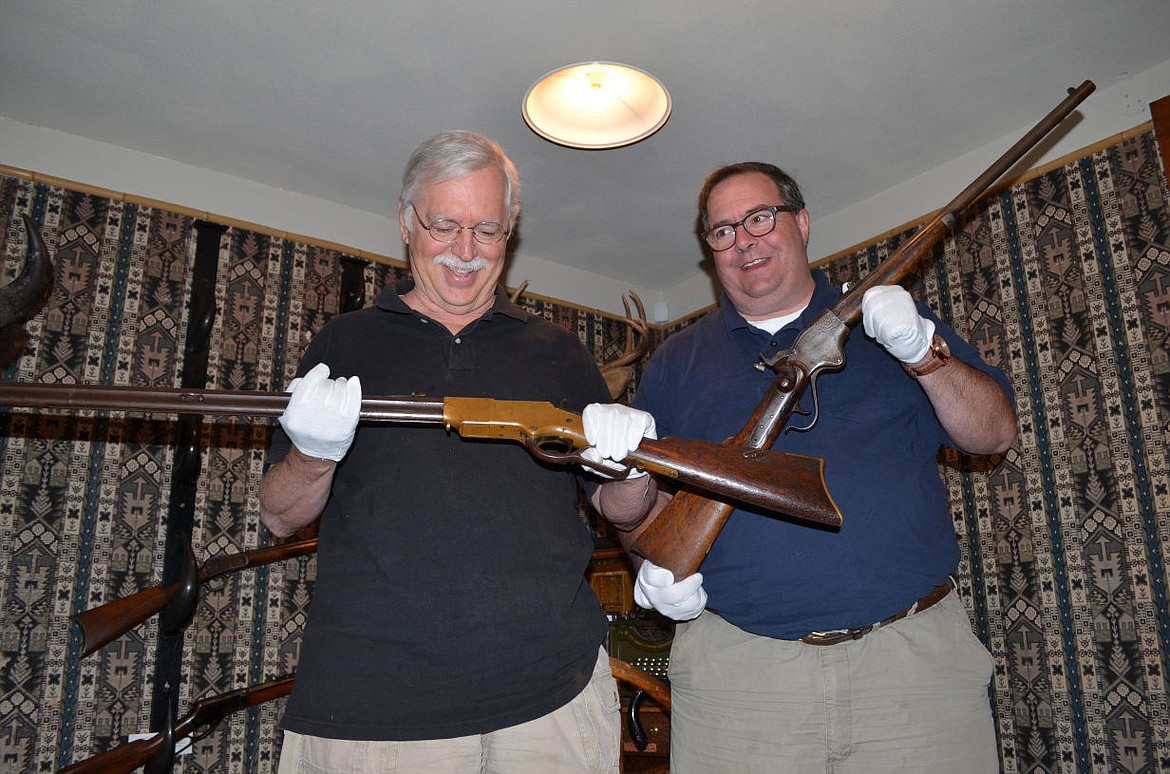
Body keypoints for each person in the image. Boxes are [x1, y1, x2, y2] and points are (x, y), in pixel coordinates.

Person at [590, 162, 1018, 773]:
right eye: (723, 230)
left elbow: (995, 433)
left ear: (803, 223)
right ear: (709, 250)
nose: (744, 240)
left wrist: (924, 355)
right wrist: (653, 563)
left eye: (761, 217)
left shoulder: (889, 321)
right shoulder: (676, 363)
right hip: (737, 673)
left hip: (913, 663)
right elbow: (641, 510)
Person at [259, 130, 650, 773]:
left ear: (511, 230)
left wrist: (630, 466)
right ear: (407, 223)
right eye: (445, 226)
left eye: (488, 230)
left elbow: (622, 509)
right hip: (373, 707)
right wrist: (313, 453)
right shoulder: (345, 341)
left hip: (556, 697)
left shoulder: (560, 351)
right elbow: (279, 514)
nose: (465, 251)